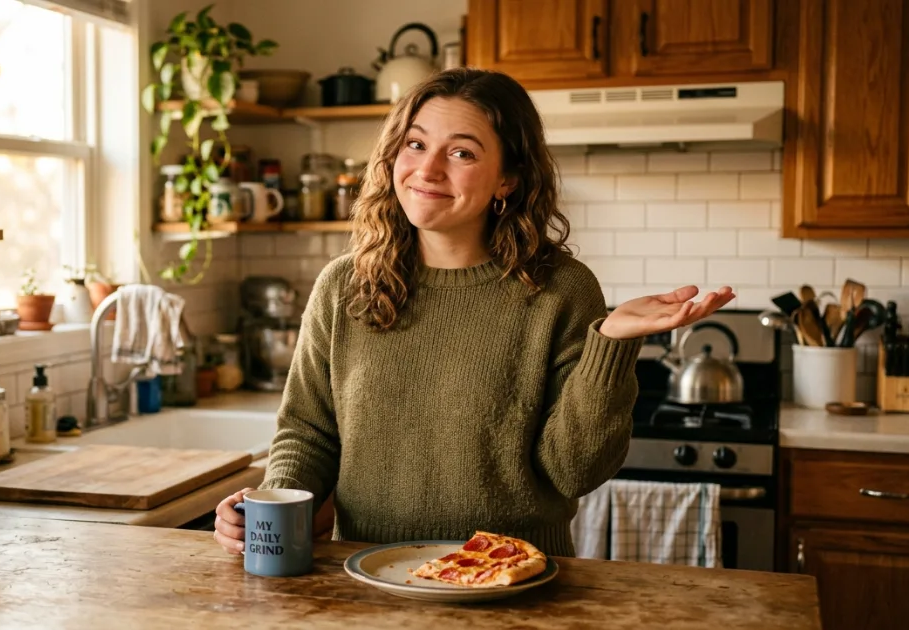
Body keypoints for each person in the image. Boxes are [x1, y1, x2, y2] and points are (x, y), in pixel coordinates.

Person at [212, 68, 734, 558]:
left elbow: (573, 471)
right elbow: (308, 432)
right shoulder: (343, 286)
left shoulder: (561, 291)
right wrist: (270, 508)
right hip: (370, 575)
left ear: (507, 179)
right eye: (415, 144)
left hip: (513, 578)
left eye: (461, 153)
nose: (428, 169)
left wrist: (612, 343)